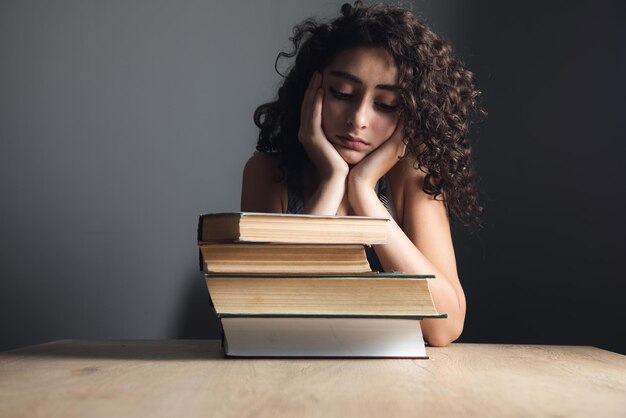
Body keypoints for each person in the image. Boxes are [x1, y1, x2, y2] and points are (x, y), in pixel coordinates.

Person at [241, 1, 486, 347]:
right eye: (342, 93)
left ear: (410, 115)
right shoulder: (268, 173)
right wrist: (331, 183)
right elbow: (260, 318)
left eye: (385, 104)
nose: (358, 119)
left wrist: (364, 193)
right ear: (312, 91)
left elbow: (443, 328)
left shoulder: (413, 177)